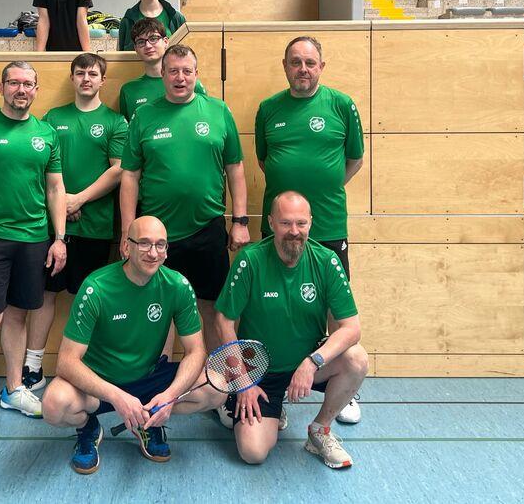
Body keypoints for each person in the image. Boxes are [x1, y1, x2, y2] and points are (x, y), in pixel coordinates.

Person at [42, 216, 222, 474]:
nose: (153, 252)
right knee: (53, 405)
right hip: (100, 384)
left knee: (217, 387)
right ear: (126, 247)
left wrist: (169, 397)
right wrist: (117, 396)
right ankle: (89, 428)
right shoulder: (96, 288)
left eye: (161, 245)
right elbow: (66, 362)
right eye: (144, 244)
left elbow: (196, 352)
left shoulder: (178, 286)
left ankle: (147, 420)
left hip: (149, 379)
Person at [0, 61, 68, 446]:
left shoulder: (47, 134)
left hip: (34, 239)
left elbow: (55, 189)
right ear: (2, 87)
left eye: (29, 84)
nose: (22, 89)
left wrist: (60, 238)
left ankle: (14, 390)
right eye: (15, 82)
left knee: (19, 316)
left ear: (36, 89)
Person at [254, 35, 365, 424]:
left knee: (336, 312)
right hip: (281, 229)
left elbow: (354, 159)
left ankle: (340, 392)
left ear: (322, 65)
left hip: (329, 224)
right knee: (270, 308)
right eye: (295, 62)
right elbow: (266, 161)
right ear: (285, 66)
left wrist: (325, 187)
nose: (303, 69)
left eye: (310, 62)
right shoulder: (268, 109)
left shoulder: (342, 105)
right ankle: (274, 387)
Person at [215, 191, 368, 469]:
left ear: (311, 222)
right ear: (272, 223)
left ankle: (320, 431)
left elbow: (351, 328)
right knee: (253, 453)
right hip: (260, 372)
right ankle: (261, 404)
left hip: (305, 364)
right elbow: (223, 321)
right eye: (286, 223)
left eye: (301, 223)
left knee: (356, 358)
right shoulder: (250, 260)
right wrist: (243, 382)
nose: (294, 231)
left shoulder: (326, 261)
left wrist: (313, 362)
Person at [120, 44, 250, 353]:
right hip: (157, 235)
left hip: (208, 228)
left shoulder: (218, 111)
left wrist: (240, 221)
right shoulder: (144, 116)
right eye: (174, 71)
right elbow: (129, 176)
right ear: (162, 74)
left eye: (187, 71)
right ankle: (159, 380)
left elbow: (235, 168)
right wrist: (129, 231)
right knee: (158, 308)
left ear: (196, 75)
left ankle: (217, 382)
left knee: (213, 309)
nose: (181, 78)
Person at [23, 53, 128, 390]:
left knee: (91, 297)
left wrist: (78, 199)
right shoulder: (52, 118)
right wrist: (59, 207)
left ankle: (87, 365)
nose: (86, 78)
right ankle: (33, 365)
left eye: (93, 73)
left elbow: (119, 170)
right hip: (53, 228)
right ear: (72, 78)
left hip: (95, 227)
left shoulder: (115, 122)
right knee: (45, 294)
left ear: (102, 81)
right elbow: (39, 167)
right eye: (80, 72)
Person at [117, 17, 206, 120]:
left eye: (153, 38)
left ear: (165, 41)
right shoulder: (128, 90)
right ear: (136, 48)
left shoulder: (190, 84)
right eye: (141, 42)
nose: (148, 45)